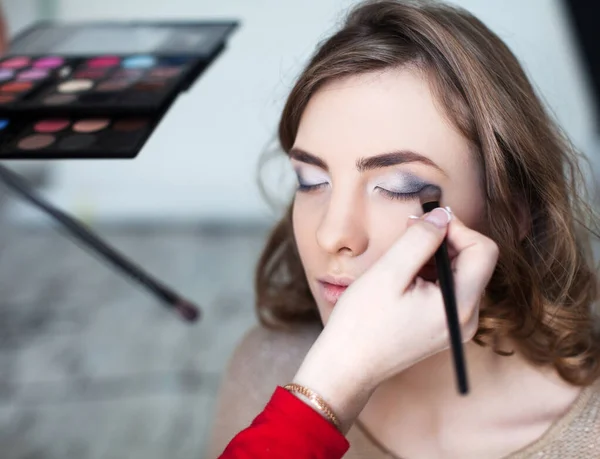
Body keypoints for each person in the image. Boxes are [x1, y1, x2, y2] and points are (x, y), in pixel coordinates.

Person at [208, 0, 600, 457]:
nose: (331, 235)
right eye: (311, 181)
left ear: (511, 214)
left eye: (399, 187)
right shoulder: (266, 371)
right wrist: (328, 389)